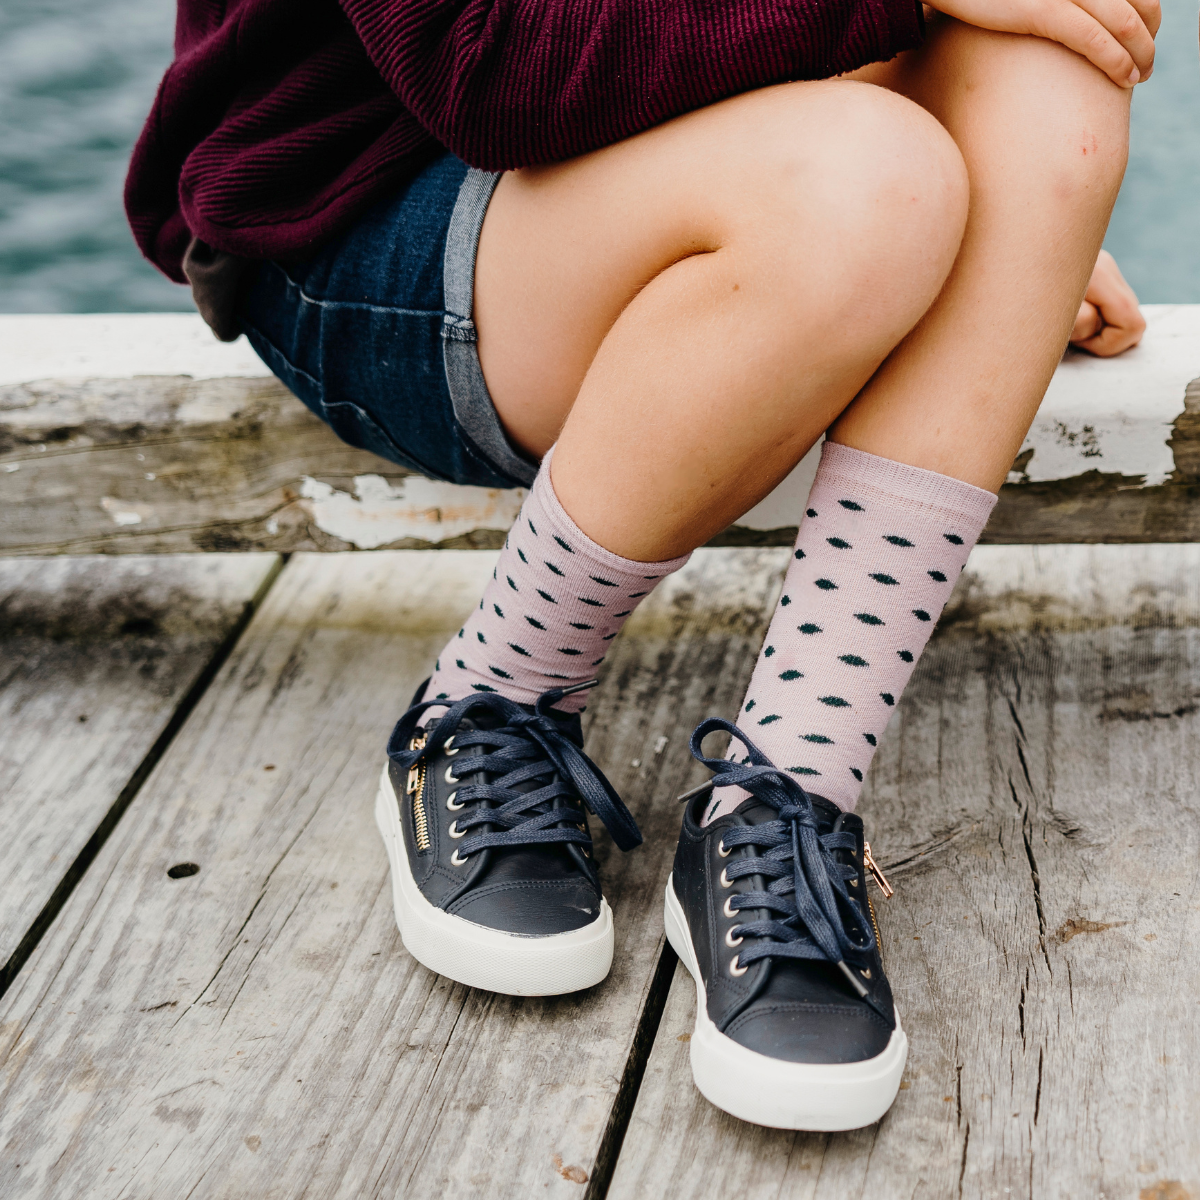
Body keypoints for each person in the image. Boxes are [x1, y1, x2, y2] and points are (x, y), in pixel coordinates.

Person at [127, 0, 1153, 1132]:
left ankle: (791, 789)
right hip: (364, 216)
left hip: (720, 143)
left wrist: (1008, 231)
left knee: (1058, 53)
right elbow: (488, 72)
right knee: (870, 183)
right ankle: (494, 693)